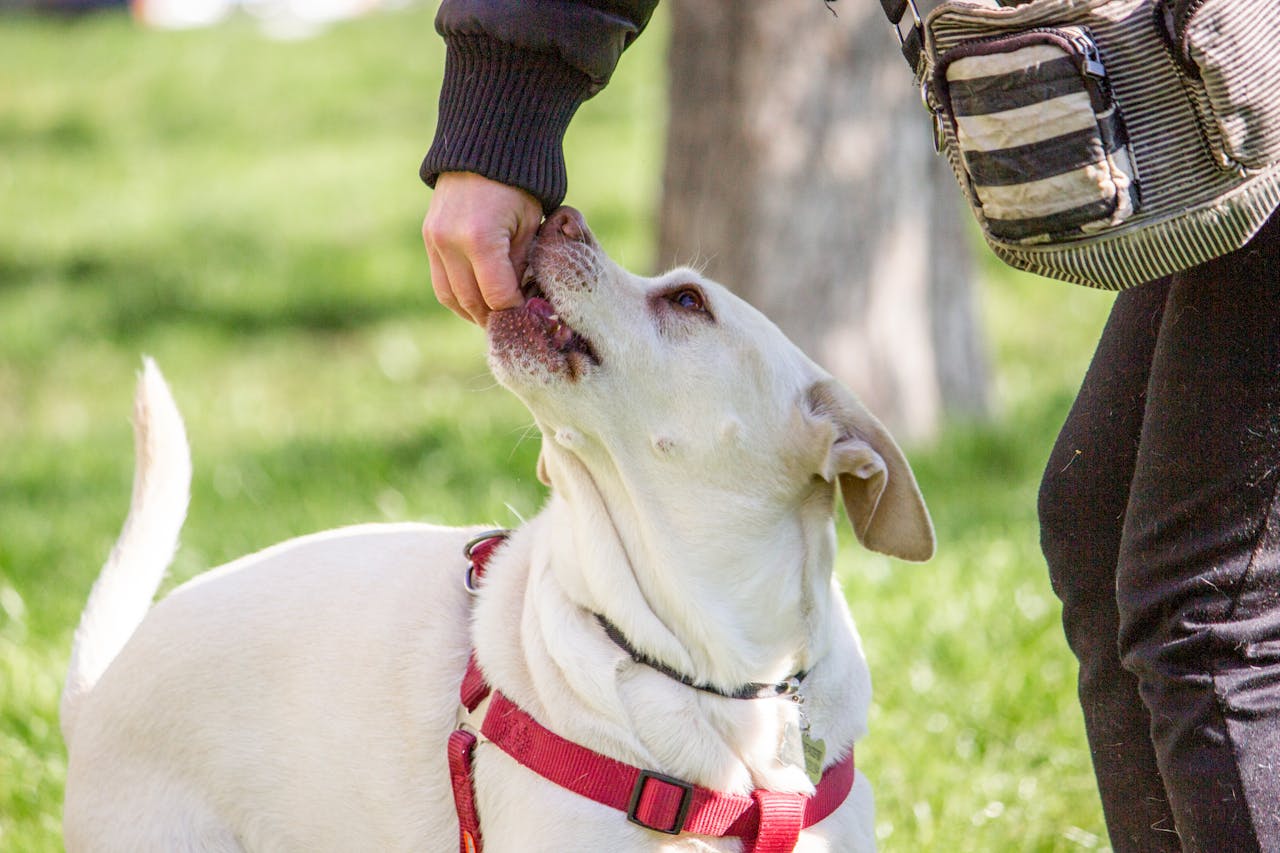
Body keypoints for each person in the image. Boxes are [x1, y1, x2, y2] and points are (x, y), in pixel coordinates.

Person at [419, 2, 1280, 850]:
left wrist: (504, 106)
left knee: (1202, 595)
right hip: (1217, 80)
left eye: (683, 303)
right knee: (1101, 519)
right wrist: (504, 109)